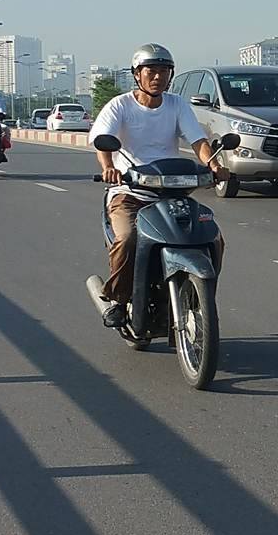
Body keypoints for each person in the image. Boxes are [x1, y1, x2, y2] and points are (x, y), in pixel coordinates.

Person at [90, 44, 227, 327]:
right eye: (151, 71)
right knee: (127, 238)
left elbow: (198, 140)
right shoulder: (120, 106)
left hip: (171, 192)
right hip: (130, 193)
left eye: (164, 72)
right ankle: (119, 299)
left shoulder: (177, 104)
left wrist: (213, 164)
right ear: (137, 75)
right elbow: (103, 138)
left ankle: (199, 295)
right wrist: (109, 169)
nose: (157, 77)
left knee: (213, 237)